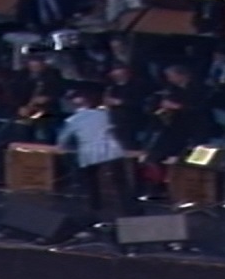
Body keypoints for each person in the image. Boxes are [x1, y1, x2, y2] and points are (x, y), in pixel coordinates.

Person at [56, 91, 141, 216]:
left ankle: (94, 206)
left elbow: (62, 139)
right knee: (121, 182)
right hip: (111, 150)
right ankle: (130, 209)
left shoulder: (73, 120)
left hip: (90, 154)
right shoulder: (103, 114)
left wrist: (64, 146)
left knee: (91, 182)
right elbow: (114, 127)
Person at [142, 65, 211, 198]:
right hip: (176, 130)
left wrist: (177, 106)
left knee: (196, 160)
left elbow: (201, 109)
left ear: (182, 75)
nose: (169, 79)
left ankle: (196, 191)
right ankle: (158, 187)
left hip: (198, 129)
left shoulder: (201, 89)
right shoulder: (172, 90)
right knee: (153, 156)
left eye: (171, 76)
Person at [14, 55, 65, 144]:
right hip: (28, 108)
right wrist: (20, 107)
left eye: (38, 67)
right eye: (32, 67)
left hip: (47, 109)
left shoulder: (54, 74)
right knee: (23, 131)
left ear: (43, 65)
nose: (35, 69)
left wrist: (48, 98)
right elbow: (16, 93)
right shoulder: (22, 75)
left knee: (47, 132)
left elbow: (60, 90)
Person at [104, 64, 148, 150]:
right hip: (118, 122)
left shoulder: (139, 84)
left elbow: (142, 102)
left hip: (134, 120)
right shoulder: (113, 88)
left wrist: (121, 102)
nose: (118, 77)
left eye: (121, 74)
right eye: (115, 75)